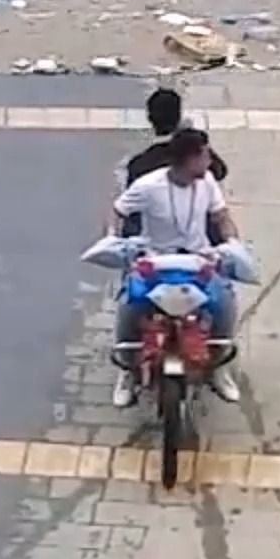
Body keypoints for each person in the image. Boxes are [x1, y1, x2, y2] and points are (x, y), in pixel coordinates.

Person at [112, 129, 245, 405]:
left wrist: (232, 243)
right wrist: (114, 241)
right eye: (205, 155)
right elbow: (118, 211)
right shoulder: (148, 186)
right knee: (129, 305)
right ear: (189, 159)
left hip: (199, 260)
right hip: (155, 261)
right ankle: (128, 370)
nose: (210, 160)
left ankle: (218, 365)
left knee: (225, 304)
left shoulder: (207, 182)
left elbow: (221, 216)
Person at [121, 86, 230, 193]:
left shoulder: (139, 166)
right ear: (179, 115)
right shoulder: (196, 155)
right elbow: (220, 171)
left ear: (150, 118)